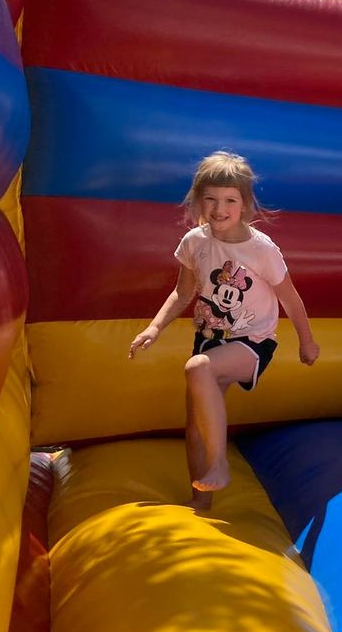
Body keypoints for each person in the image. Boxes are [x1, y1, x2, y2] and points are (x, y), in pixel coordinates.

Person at [127, 151, 319, 510]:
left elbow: (290, 299)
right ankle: (201, 500)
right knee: (195, 424)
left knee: (197, 368)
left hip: (253, 341)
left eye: (230, 200)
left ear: (245, 204)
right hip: (209, 338)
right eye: (210, 199)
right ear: (197, 201)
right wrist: (154, 328)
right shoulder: (194, 242)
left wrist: (306, 342)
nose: (219, 208)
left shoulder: (261, 249)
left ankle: (219, 463)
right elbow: (183, 292)